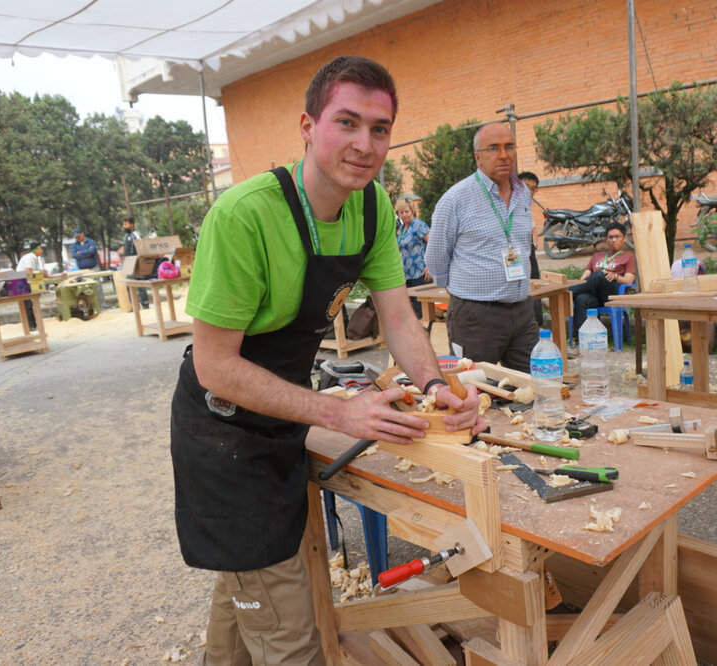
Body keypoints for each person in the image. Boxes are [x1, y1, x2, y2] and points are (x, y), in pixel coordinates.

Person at [169, 56, 483, 665]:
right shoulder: (245, 215)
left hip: (283, 409)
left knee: (249, 583)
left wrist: (434, 384)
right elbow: (216, 366)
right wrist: (339, 415)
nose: (365, 145)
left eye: (381, 128)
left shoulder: (372, 211)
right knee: (291, 640)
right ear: (308, 126)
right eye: (347, 122)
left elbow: (397, 319)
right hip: (222, 431)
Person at [425, 123, 538, 371]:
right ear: (478, 157)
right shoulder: (455, 200)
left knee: (533, 388)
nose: (504, 155)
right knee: (474, 392)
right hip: (475, 316)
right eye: (493, 149)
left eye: (509, 147)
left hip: (522, 312)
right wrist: (460, 292)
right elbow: (435, 257)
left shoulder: (523, 194)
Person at [569, 222, 636, 351]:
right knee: (581, 299)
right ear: (606, 239)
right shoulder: (597, 256)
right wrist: (586, 283)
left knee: (601, 275)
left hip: (612, 294)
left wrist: (615, 276)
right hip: (594, 294)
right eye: (610, 237)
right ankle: (580, 344)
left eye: (617, 236)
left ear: (624, 239)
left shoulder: (628, 257)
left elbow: (629, 280)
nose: (613, 240)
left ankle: (565, 294)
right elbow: (584, 278)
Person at [394, 197, 430, 317]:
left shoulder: (419, 225)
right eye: (401, 212)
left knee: (422, 311)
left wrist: (430, 265)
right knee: (412, 311)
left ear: (412, 211)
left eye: (406, 211)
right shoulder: (401, 228)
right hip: (406, 274)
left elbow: (433, 244)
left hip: (420, 273)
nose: (404, 215)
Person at [15, 244, 64, 330]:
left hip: (27, 282)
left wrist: (60, 276)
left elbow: (43, 275)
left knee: (31, 304)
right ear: (35, 249)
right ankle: (31, 326)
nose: (42, 250)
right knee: (27, 305)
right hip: (22, 282)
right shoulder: (29, 257)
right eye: (40, 248)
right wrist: (41, 272)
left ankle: (34, 325)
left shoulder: (36, 259)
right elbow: (29, 272)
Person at [518, 172, 544, 326]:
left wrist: (533, 244)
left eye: (533, 188)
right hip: (512, 256)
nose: (529, 192)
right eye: (526, 186)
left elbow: (533, 228)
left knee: (535, 289)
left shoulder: (527, 209)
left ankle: (537, 326)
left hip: (529, 254)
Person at [117, 215, 149, 309]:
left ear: (132, 225)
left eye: (126, 224)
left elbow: (141, 247)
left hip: (136, 262)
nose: (124, 226)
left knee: (140, 284)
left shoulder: (135, 234)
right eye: (123, 224)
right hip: (128, 262)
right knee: (129, 284)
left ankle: (145, 305)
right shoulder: (126, 236)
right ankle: (135, 306)